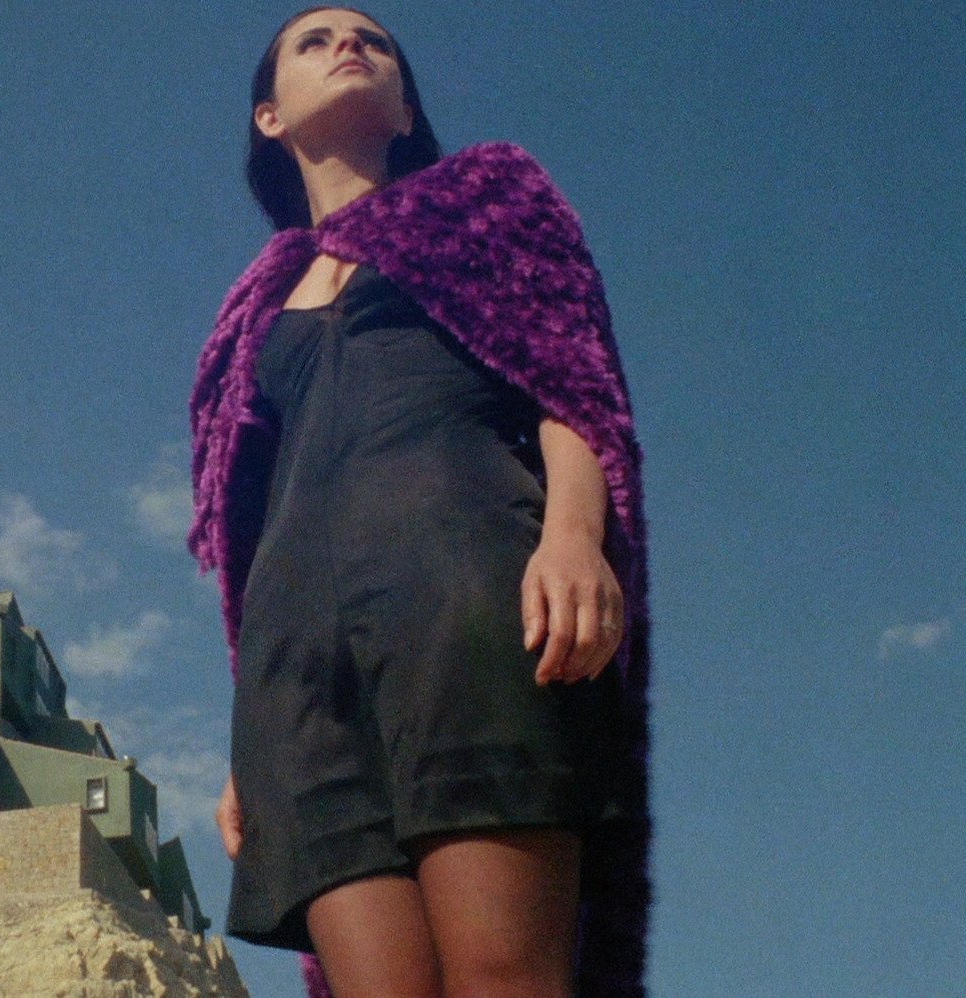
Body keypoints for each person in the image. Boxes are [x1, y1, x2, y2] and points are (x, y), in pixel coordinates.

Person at [189, 7, 652, 997]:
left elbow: (575, 387)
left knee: (503, 975)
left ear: (405, 108)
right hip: (293, 674)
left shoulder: (488, 201)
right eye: (313, 41)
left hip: (462, 592)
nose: (348, 46)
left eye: (373, 41)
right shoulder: (256, 305)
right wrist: (244, 739)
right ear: (268, 118)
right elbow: (243, 526)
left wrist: (574, 537)